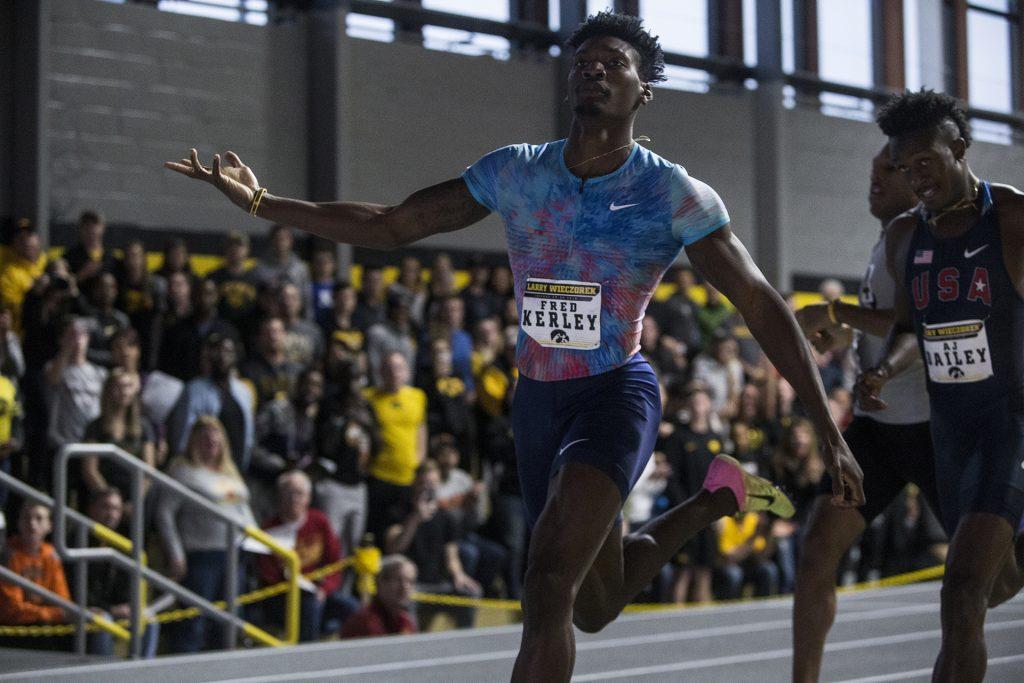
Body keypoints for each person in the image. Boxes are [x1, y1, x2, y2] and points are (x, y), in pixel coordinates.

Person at [166, 12, 862, 679]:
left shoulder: (672, 193)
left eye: (612, 63)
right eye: (582, 61)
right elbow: (391, 224)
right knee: (593, 603)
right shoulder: (518, 171)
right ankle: (717, 496)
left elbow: (759, 301)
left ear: (642, 91)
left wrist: (824, 422)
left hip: (615, 393)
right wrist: (263, 204)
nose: (593, 69)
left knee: (547, 583)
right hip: (537, 403)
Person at [854, 90, 1024, 682]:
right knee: (991, 584)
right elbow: (909, 327)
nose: (915, 177)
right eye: (905, 167)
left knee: (961, 594)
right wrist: (883, 369)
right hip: (950, 434)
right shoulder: (906, 236)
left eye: (925, 162)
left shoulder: (1011, 218)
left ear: (960, 148)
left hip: (1011, 426)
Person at [790, 142, 937, 682]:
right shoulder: (886, 240)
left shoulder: (923, 235)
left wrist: (831, 310)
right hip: (877, 429)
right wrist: (847, 330)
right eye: (873, 169)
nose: (875, 178)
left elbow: (913, 321)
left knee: (990, 581)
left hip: (928, 427)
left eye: (890, 170)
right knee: (817, 549)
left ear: (920, 176)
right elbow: (884, 320)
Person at [156, 416, 256, 653]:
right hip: (202, 557)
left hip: (235, 554)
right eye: (204, 436)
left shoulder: (229, 471)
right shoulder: (183, 471)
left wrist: (259, 541)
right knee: (194, 622)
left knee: (227, 622)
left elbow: (244, 510)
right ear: (193, 441)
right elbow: (165, 514)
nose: (210, 441)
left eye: (215, 435)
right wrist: (175, 553)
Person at [257, 470, 357, 642]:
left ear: (308, 498)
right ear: (280, 496)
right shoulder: (268, 529)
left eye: (299, 493)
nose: (294, 498)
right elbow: (266, 573)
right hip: (283, 596)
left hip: (318, 589)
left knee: (353, 608)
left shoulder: (319, 521)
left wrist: (324, 589)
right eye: (289, 493)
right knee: (311, 607)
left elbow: (334, 563)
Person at [339, 554, 418, 638]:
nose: (405, 587)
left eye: (410, 581)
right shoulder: (364, 622)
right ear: (381, 583)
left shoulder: (406, 622)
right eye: (398, 580)